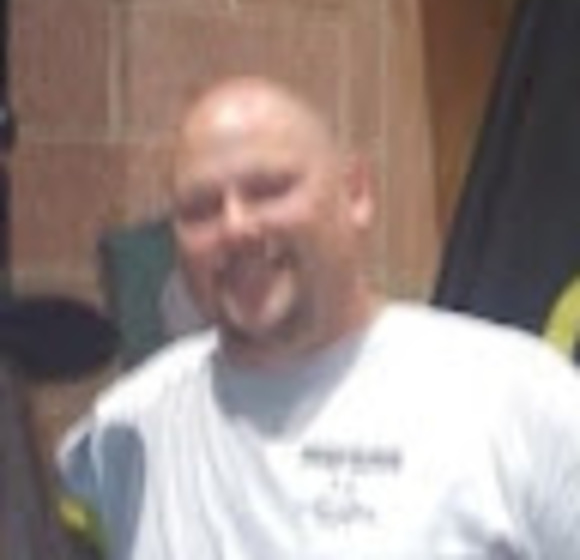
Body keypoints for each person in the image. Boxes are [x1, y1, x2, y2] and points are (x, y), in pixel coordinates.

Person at [58, 76, 580, 560]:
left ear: (356, 193)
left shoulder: (520, 401)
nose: (235, 227)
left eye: (269, 189)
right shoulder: (124, 433)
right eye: (201, 208)